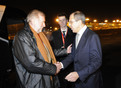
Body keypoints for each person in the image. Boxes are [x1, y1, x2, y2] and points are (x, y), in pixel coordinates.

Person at [12, 9, 60, 88]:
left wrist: (65, 52)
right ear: (33, 21)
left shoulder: (40, 35)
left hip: (45, 78)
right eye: (42, 22)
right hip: (34, 83)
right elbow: (31, 63)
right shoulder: (22, 36)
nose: (44, 25)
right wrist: (53, 68)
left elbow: (48, 53)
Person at [56, 11, 103, 88]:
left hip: (89, 81)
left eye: (71, 22)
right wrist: (61, 65)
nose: (69, 24)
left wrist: (79, 74)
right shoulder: (76, 36)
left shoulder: (92, 36)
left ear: (79, 22)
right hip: (78, 81)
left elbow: (97, 61)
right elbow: (73, 55)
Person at [51, 12, 75, 88]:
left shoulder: (74, 32)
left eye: (63, 20)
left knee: (72, 85)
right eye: (60, 20)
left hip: (72, 65)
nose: (61, 22)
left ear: (67, 20)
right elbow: (52, 51)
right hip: (59, 65)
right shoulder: (53, 34)